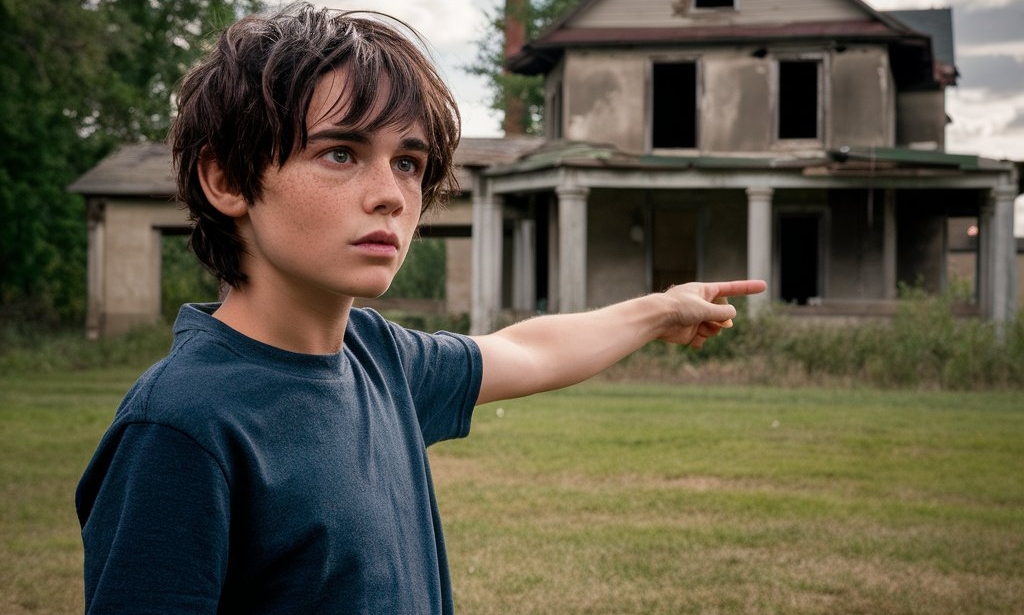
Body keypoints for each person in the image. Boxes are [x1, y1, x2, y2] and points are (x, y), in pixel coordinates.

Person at [74, 3, 766, 614]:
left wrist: (660, 309)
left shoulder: (380, 358)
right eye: (341, 153)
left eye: (408, 161)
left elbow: (528, 350)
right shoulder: (179, 426)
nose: (391, 195)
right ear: (225, 177)